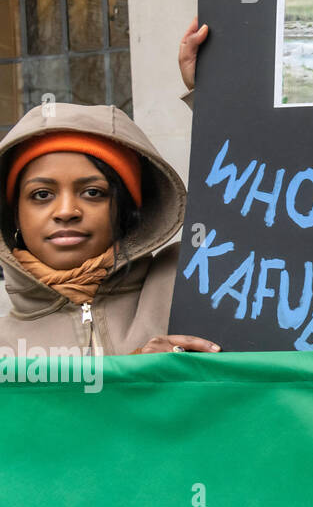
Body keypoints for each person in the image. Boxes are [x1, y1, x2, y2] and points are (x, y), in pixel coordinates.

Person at [0, 102, 219, 355]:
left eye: (93, 192)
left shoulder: (190, 274)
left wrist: (216, 78)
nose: (66, 211)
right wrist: (131, 382)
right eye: (41, 195)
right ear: (15, 215)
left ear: (127, 209)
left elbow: (263, 216)